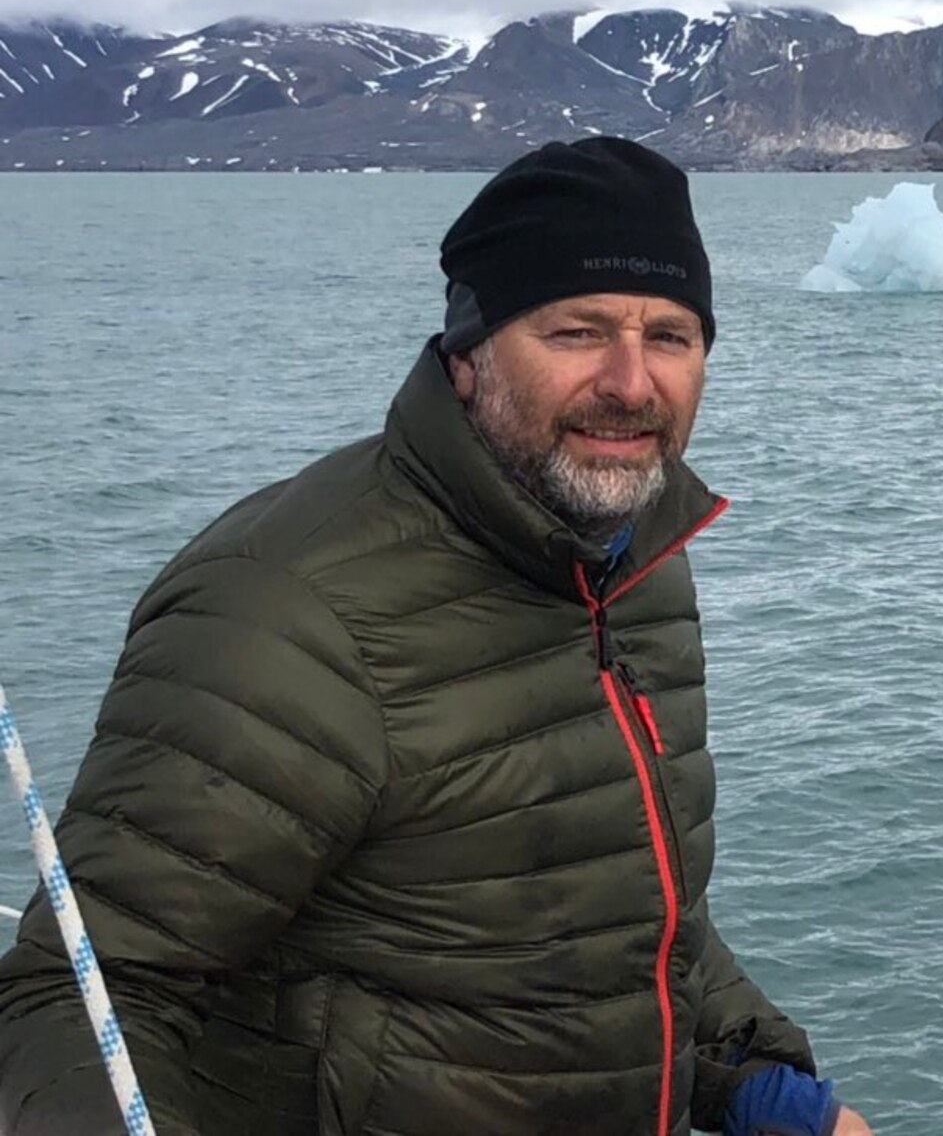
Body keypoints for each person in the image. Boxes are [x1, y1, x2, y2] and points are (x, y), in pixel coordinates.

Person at [0, 137, 873, 1136]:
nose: (632, 383)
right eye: (578, 331)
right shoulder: (284, 609)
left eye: (669, 335)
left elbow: (612, 907)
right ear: (467, 357)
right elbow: (85, 995)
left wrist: (761, 1081)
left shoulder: (631, 564)